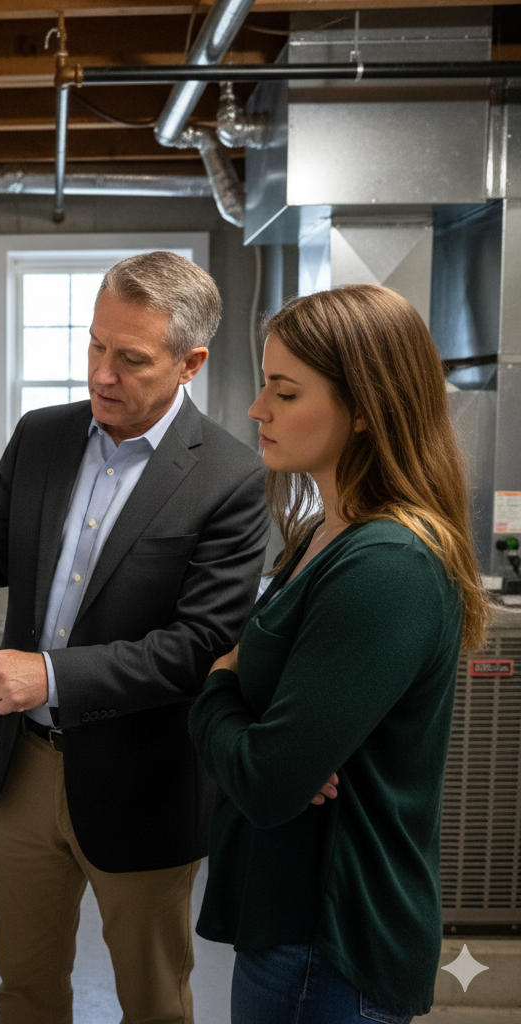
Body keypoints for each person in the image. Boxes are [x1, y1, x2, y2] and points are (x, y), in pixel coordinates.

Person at [0, 251, 270, 1023]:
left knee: (154, 1003)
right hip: (25, 768)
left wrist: (51, 674)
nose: (103, 374)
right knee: (26, 990)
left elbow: (199, 645)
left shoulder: (230, 479)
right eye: (96, 345)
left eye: (131, 359)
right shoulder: (42, 436)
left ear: (190, 363)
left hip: (144, 783)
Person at [189, 284, 489, 1024]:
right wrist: (258, 724)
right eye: (265, 384)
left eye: (285, 392)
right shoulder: (323, 535)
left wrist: (217, 694)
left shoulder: (387, 567)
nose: (257, 409)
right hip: (292, 928)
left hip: (329, 947)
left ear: (365, 409)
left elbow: (266, 780)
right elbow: (278, 751)